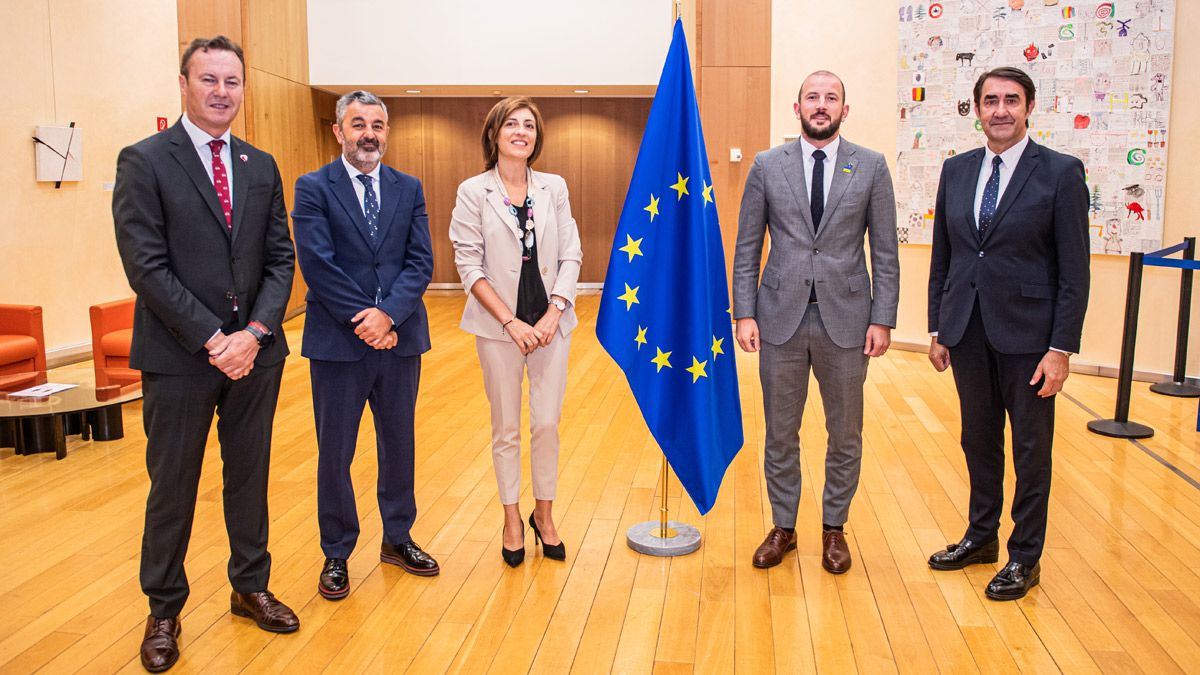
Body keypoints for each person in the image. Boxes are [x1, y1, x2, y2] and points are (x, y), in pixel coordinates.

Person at [113, 36, 298, 673]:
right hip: (179, 357)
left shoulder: (261, 164)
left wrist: (253, 334)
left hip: (255, 356)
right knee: (174, 486)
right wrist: (214, 338)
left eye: (233, 81)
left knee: (249, 478)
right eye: (210, 79)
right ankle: (163, 607)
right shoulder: (144, 161)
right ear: (186, 83)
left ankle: (250, 586)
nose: (222, 91)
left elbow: (281, 259)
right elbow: (146, 266)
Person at [926, 66, 1089, 600]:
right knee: (978, 440)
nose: (1000, 109)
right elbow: (945, 257)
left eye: (1011, 100)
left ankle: (1025, 556)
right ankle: (980, 537)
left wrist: (1060, 348)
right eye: (990, 100)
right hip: (967, 331)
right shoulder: (956, 170)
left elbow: (1074, 271)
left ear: (1029, 107)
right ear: (977, 109)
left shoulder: (1061, 173)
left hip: (1031, 340)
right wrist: (938, 327)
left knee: (1030, 447)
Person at [733, 70, 899, 574]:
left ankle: (834, 529)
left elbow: (885, 251)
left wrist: (883, 318)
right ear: (797, 106)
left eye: (831, 98)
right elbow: (746, 247)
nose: (821, 105)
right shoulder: (766, 165)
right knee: (781, 434)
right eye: (812, 97)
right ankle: (784, 527)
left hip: (847, 322)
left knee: (844, 433)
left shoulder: (870, 166)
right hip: (779, 320)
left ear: (845, 110)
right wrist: (744, 311)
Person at [291, 90, 439, 599]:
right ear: (338, 131)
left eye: (377, 124)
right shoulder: (312, 188)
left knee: (399, 444)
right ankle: (337, 551)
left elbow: (420, 261)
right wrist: (368, 320)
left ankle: (398, 538)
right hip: (338, 344)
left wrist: (390, 315)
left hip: (400, 342)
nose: (369, 134)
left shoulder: (409, 187)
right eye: (358, 124)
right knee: (336, 451)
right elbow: (317, 264)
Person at [449, 96, 581, 567]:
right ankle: (510, 518)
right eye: (512, 124)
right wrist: (510, 321)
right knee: (505, 427)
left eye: (529, 125)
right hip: (498, 328)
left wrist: (552, 314)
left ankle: (543, 515)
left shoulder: (554, 188)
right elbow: (468, 264)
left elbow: (571, 254)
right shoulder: (472, 191)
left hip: (550, 328)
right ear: (494, 134)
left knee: (546, 424)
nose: (521, 131)